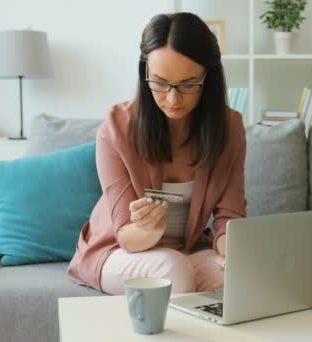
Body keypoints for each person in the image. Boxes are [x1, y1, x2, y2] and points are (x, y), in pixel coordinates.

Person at [67, 12, 247, 295]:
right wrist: (149, 229)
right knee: (171, 268)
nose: (173, 99)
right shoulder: (115, 128)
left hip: (188, 252)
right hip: (118, 251)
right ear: (145, 73)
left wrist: (236, 252)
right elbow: (127, 235)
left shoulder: (230, 128)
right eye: (160, 83)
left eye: (189, 84)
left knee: (238, 279)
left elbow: (229, 218)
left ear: (208, 79)